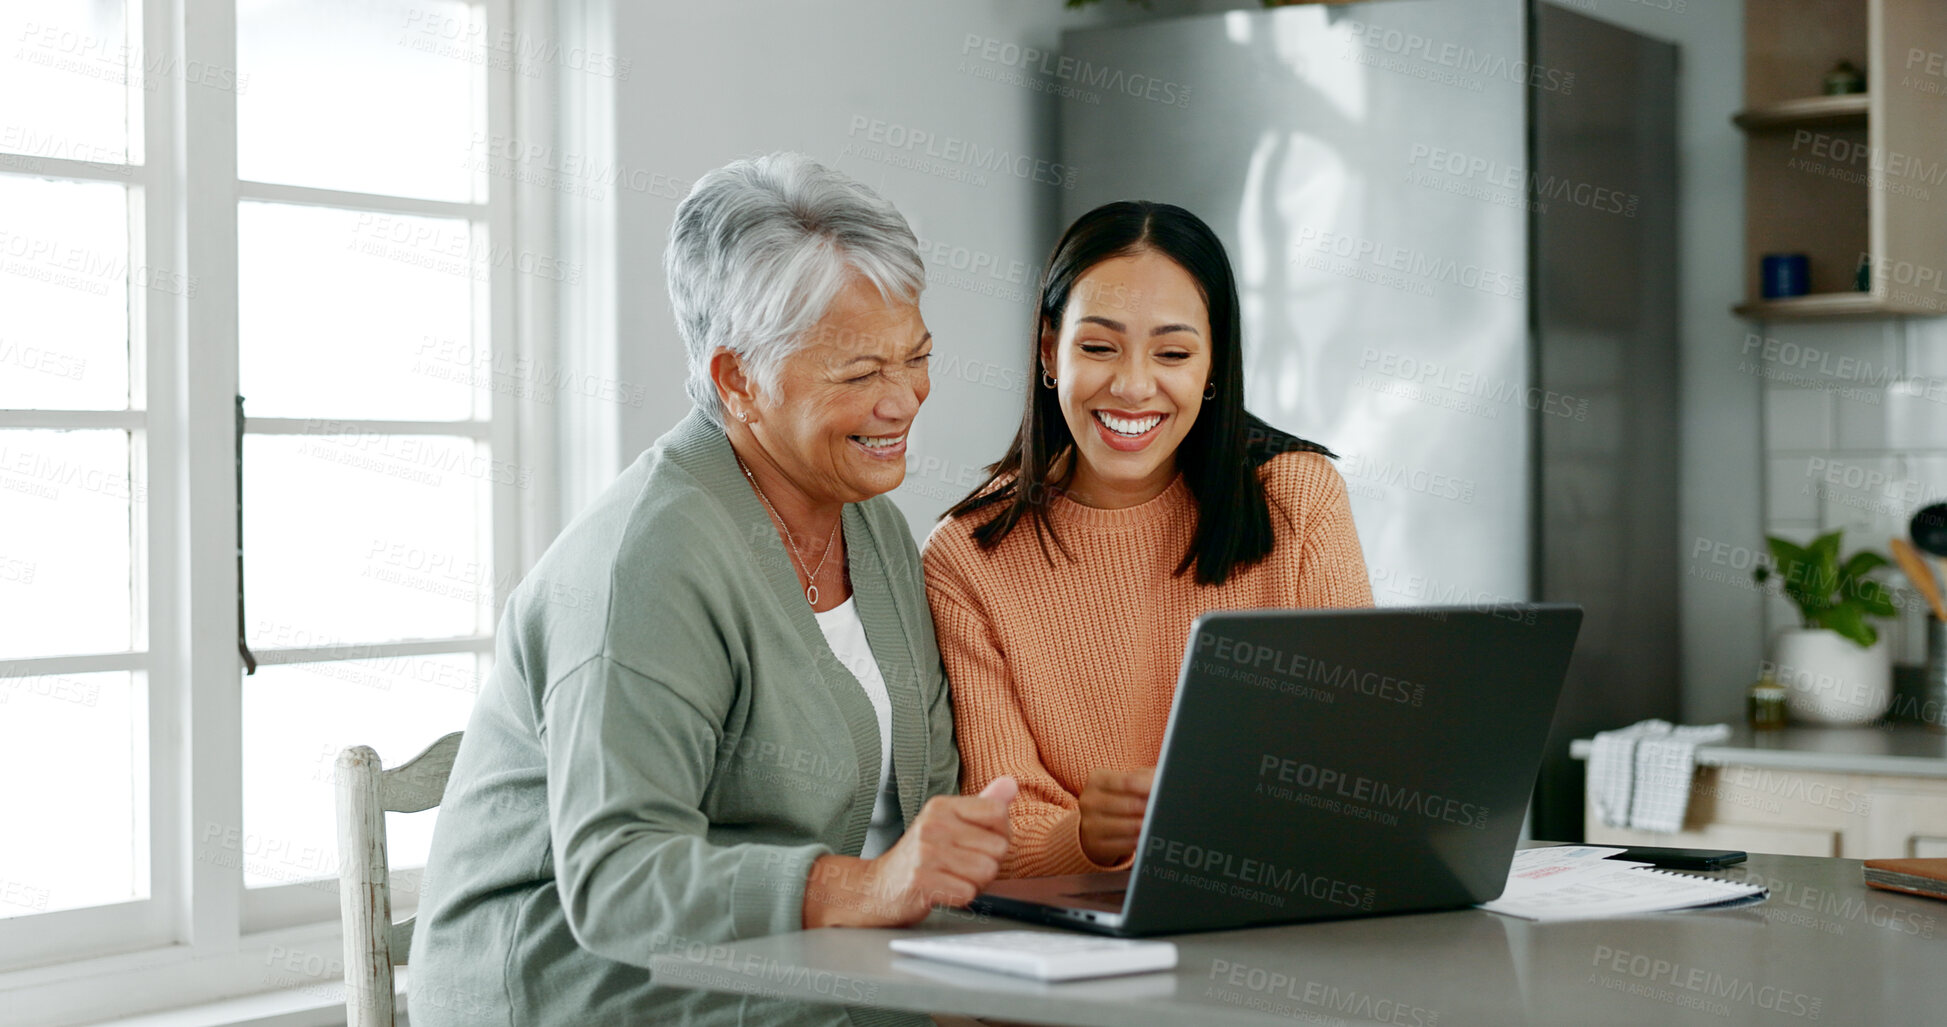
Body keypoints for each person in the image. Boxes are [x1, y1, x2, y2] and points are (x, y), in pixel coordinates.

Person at [410, 152, 1015, 1027]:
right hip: (581, 994)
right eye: (857, 374)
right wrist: (863, 886)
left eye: (915, 356)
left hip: (786, 979)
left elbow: (922, 811)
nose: (904, 399)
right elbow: (619, 879)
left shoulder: (870, 522)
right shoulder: (645, 561)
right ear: (737, 381)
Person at [922, 201, 1371, 879]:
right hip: (1085, 940)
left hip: (1287, 913)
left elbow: (1359, 768)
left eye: (1172, 352)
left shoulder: (1298, 501)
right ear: (1050, 350)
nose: (1132, 386)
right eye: (1098, 346)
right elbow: (1002, 827)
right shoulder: (966, 557)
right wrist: (1083, 836)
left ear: (1214, 361)